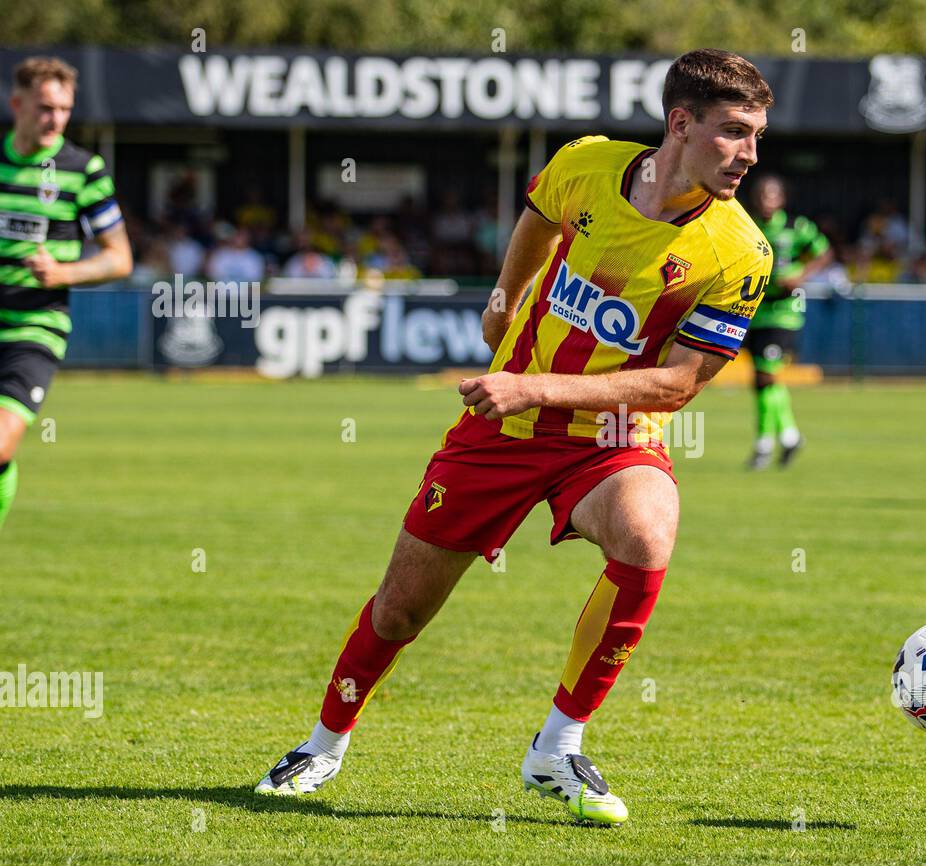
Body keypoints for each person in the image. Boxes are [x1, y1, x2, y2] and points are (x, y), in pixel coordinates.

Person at [254, 49, 774, 825]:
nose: (751, 154)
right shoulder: (586, 165)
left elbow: (678, 383)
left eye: (757, 135)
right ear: (680, 123)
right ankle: (323, 745)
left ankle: (557, 748)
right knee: (400, 611)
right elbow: (536, 221)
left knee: (647, 531)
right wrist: (503, 303)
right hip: (500, 430)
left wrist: (534, 383)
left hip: (610, 435)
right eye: (734, 132)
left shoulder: (740, 251)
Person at [0, 56, 133, 533]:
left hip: (35, 326)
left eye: (64, 109)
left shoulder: (83, 169)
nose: (55, 119)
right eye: (45, 108)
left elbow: (119, 257)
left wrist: (63, 272)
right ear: (17, 104)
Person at [743, 174, 831, 469]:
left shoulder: (797, 227)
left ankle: (763, 443)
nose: (766, 201)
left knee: (767, 375)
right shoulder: (747, 225)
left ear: (781, 199)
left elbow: (824, 252)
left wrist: (801, 274)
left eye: (771, 195)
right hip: (753, 312)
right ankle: (790, 437)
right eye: (761, 195)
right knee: (761, 379)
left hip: (783, 313)